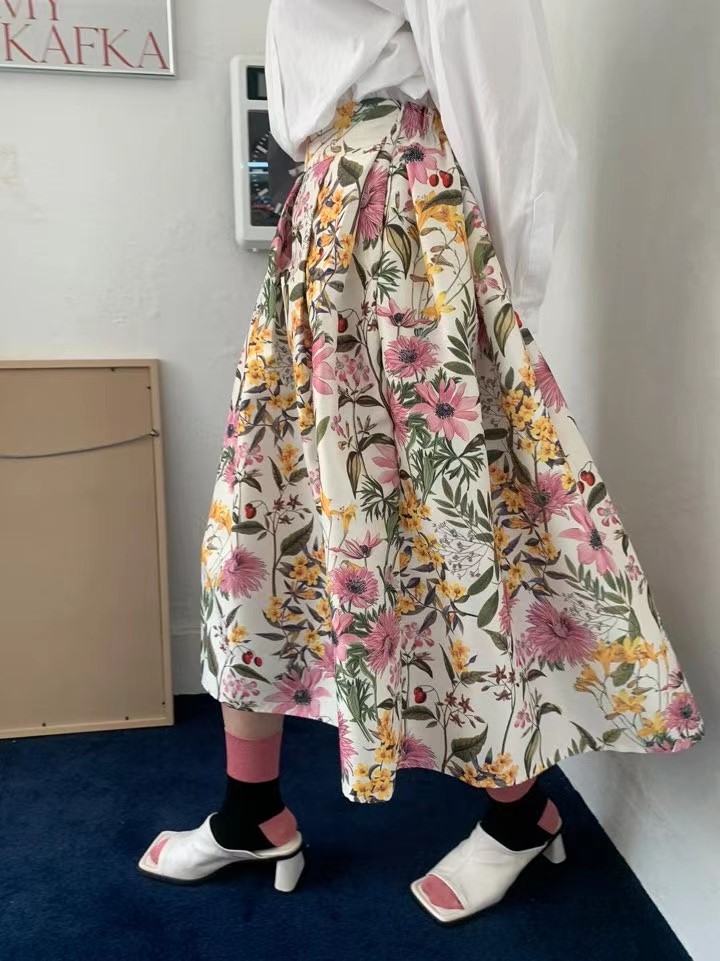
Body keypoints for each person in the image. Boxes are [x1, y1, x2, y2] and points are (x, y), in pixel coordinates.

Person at [139, 0, 705, 923]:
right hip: (324, 215)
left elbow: (503, 98)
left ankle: (521, 814)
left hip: (403, 227)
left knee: (457, 522)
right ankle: (252, 809)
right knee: (265, 511)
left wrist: (493, 299)